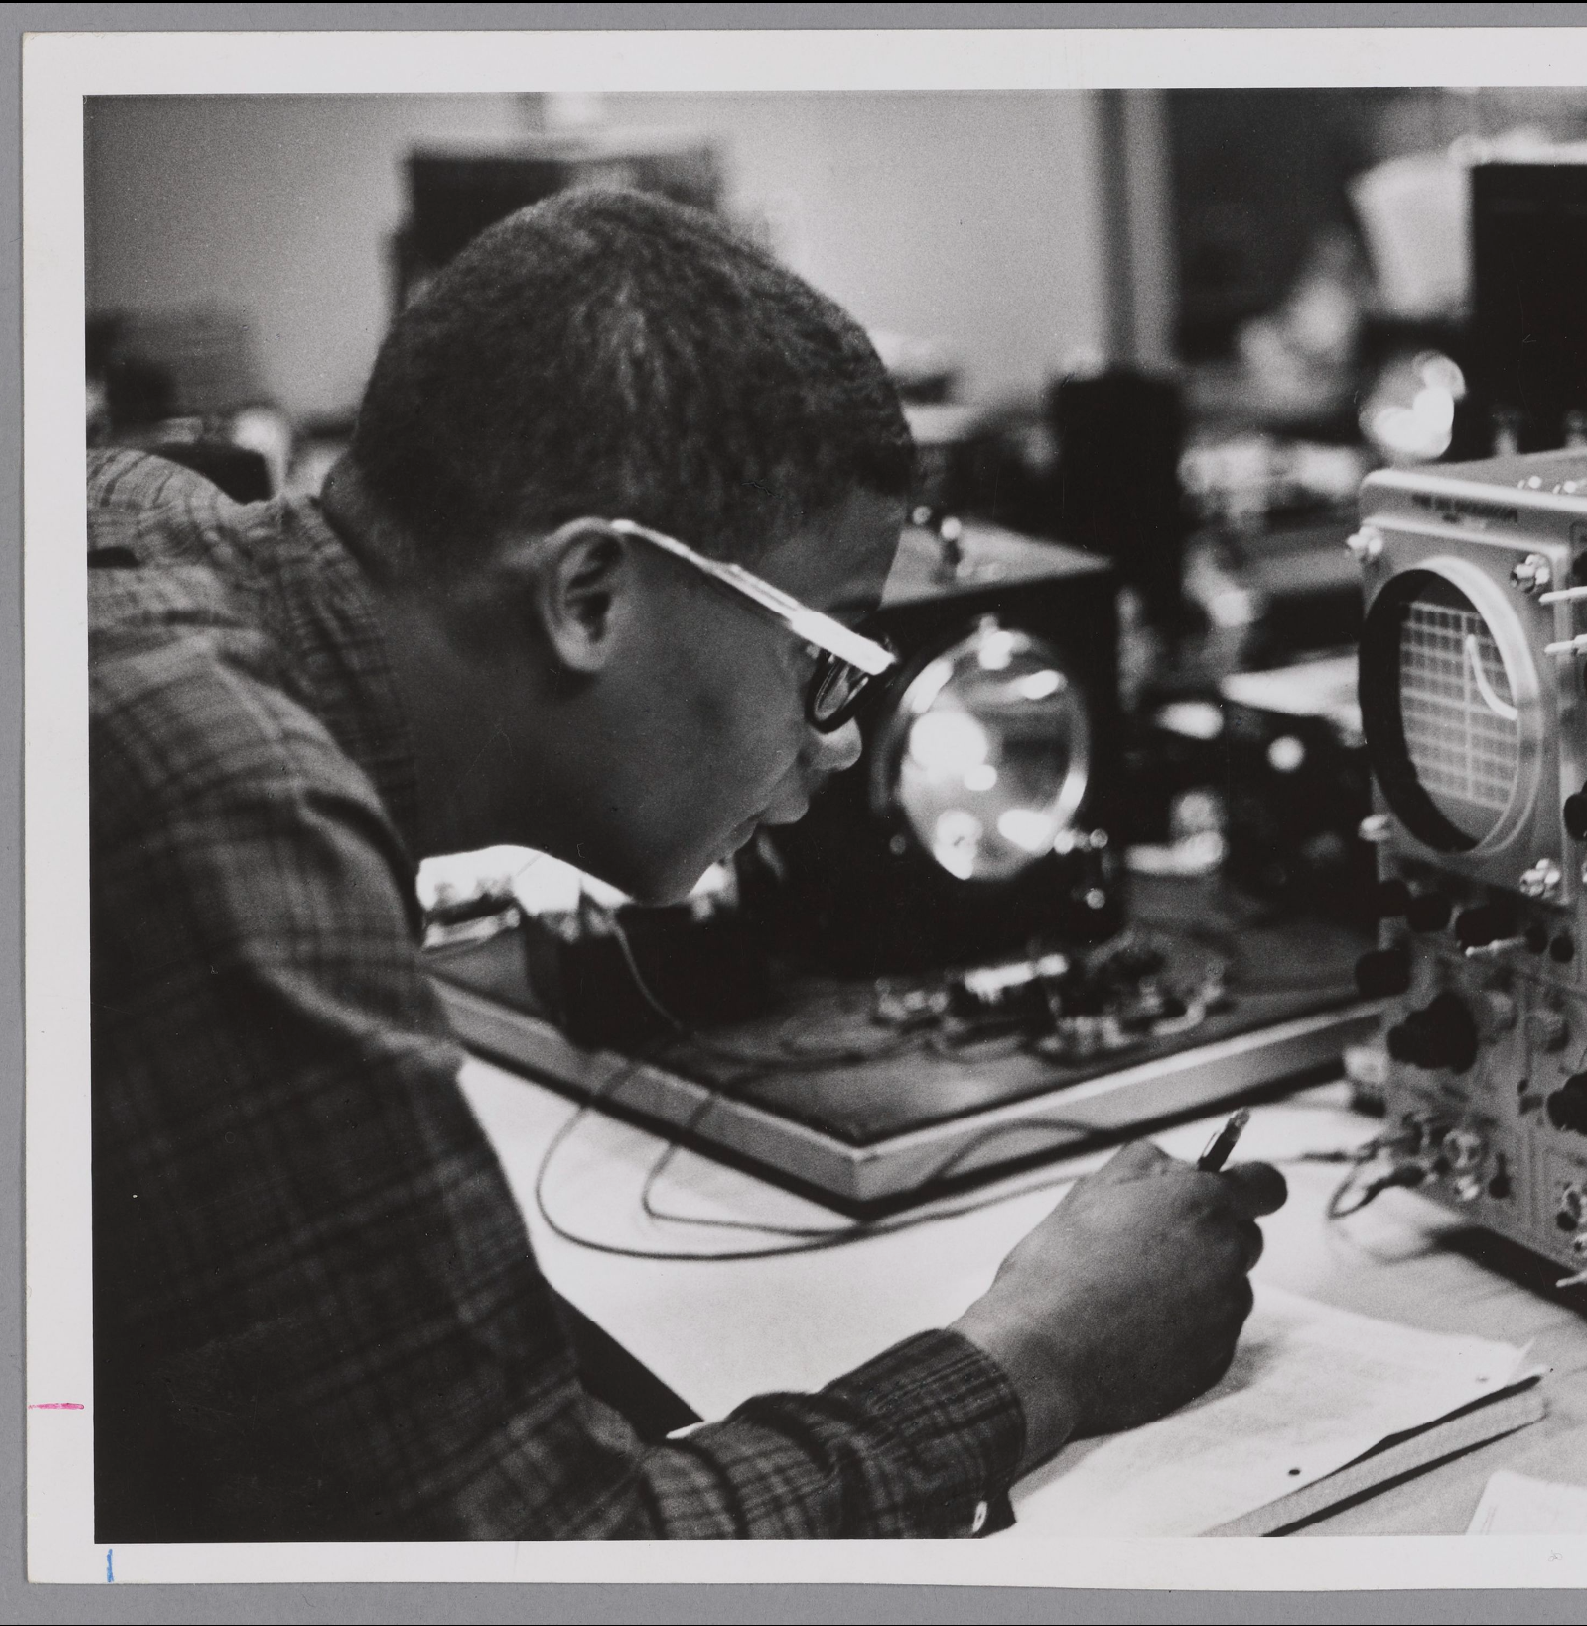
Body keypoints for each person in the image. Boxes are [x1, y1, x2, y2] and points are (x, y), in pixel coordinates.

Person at [89, 188, 1286, 1541]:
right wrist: (1039, 1351)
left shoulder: (139, 521)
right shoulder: (225, 801)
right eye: (826, 656)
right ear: (590, 594)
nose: (837, 751)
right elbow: (537, 1561)